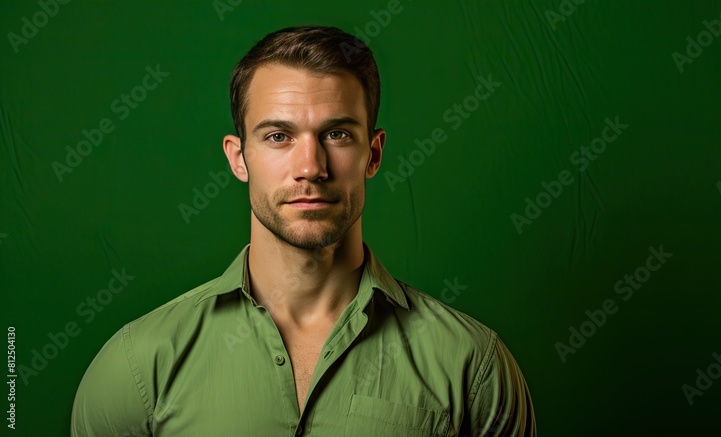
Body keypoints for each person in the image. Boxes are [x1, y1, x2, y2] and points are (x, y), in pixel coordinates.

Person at [71, 25, 535, 436]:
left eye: (337, 134)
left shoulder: (472, 366)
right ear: (238, 157)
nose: (311, 167)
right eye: (278, 136)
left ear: (373, 155)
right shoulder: (137, 365)